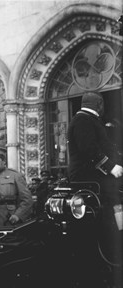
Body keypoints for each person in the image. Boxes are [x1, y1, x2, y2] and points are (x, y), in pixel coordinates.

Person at [67, 91, 123, 267]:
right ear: (99, 104)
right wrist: (111, 167)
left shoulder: (87, 120)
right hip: (90, 179)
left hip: (96, 178)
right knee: (109, 210)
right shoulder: (83, 120)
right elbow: (89, 150)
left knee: (116, 207)